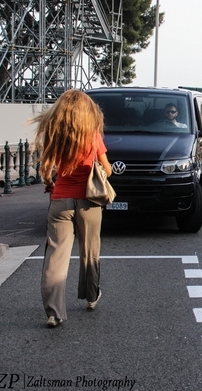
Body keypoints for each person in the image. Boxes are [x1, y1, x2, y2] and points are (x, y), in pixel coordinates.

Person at [32, 89, 113, 328]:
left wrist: (51, 184)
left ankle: (54, 311)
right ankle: (90, 296)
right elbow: (107, 170)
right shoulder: (92, 136)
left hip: (60, 202)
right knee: (90, 252)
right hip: (88, 202)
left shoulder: (54, 134)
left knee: (56, 256)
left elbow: (46, 170)